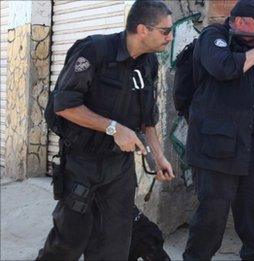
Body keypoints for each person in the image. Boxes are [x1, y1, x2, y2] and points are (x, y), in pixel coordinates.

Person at [37, 1, 174, 259]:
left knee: (114, 245)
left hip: (119, 169)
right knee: (68, 242)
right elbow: (64, 105)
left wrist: (157, 156)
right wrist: (113, 128)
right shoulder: (94, 51)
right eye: (166, 31)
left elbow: (148, 120)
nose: (170, 36)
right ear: (143, 29)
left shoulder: (149, 64)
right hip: (81, 164)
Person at [182, 0, 254, 260]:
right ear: (240, 21)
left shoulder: (253, 45)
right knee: (210, 222)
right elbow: (222, 67)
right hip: (216, 152)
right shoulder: (213, 36)